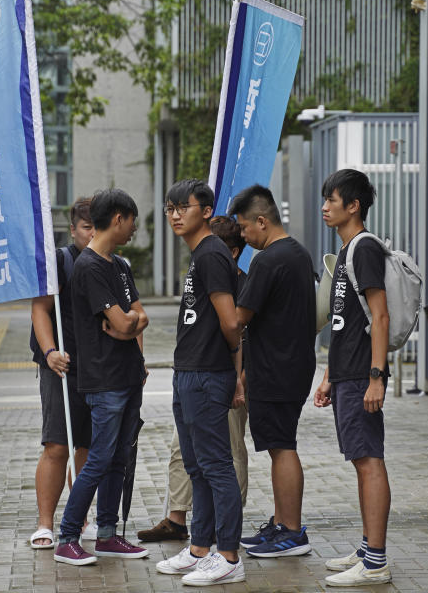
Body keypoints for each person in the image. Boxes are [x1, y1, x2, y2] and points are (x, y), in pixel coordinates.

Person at [154, 180, 245, 586]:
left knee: (216, 467)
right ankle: (199, 548)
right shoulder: (200, 255)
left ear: (205, 211)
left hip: (207, 374)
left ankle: (228, 555)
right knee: (197, 466)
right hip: (188, 372)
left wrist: (226, 361)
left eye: (183, 207)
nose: (175, 214)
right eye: (170, 207)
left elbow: (231, 322)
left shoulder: (211, 255)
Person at [54, 189, 150, 566]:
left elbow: (138, 316)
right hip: (104, 379)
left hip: (128, 375)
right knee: (99, 458)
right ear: (117, 219)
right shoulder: (90, 267)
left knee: (118, 460)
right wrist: (127, 323)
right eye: (131, 220)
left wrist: (127, 325)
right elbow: (125, 319)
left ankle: (108, 535)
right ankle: (67, 537)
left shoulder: (119, 265)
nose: (133, 228)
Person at [138, 214, 249, 544]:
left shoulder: (236, 281)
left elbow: (236, 330)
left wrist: (237, 377)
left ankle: (225, 538)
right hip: (191, 375)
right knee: (191, 459)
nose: (173, 215)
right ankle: (191, 532)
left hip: (218, 378)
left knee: (223, 459)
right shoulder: (200, 266)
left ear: (230, 252)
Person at [314, 169, 393, 586]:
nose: (325, 206)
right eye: (324, 199)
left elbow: (379, 315)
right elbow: (346, 321)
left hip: (364, 376)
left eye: (332, 199)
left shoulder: (363, 248)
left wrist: (376, 377)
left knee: (368, 461)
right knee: (360, 461)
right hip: (346, 374)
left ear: (353, 206)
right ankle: (367, 548)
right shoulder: (346, 250)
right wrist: (329, 374)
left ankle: (376, 562)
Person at [229, 185, 316, 558]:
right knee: (281, 445)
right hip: (293, 365)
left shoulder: (266, 261)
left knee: (282, 448)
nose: (244, 237)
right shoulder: (297, 252)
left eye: (245, 228)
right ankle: (282, 524)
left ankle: (292, 532)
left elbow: (238, 318)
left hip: (275, 369)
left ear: (262, 221)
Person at [28, 198, 96, 549]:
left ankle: (81, 518)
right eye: (86, 227)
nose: (93, 234)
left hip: (96, 368)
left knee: (85, 446)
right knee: (57, 445)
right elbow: (39, 309)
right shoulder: (60, 261)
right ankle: (45, 524)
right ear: (73, 230)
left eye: (98, 226)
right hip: (60, 365)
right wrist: (51, 352)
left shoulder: (112, 263)